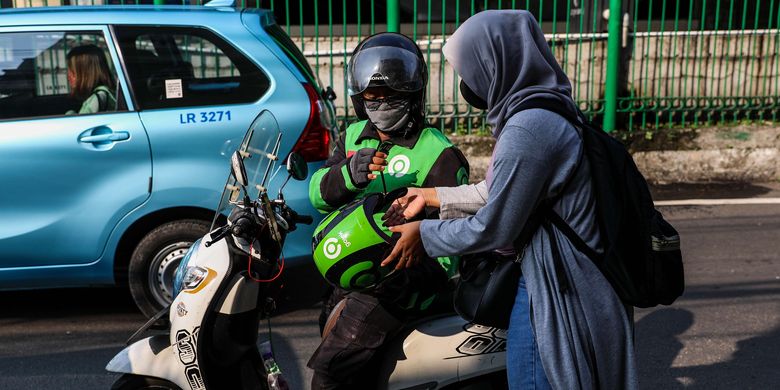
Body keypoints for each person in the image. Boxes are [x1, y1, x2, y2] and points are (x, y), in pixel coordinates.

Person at [383, 10, 638, 390]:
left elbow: (497, 224)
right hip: (558, 275)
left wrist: (425, 235)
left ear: (496, 62)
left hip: (558, 284)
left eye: (469, 70)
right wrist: (430, 195)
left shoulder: (528, 128)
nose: (466, 83)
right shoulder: (543, 107)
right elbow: (499, 190)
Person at [306, 32, 469, 390]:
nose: (381, 104)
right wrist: (347, 175)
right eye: (372, 97)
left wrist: (416, 244)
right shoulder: (352, 138)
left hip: (398, 287)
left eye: (391, 95)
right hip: (350, 274)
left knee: (331, 372)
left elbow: (453, 246)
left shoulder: (438, 152)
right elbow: (317, 194)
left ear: (412, 95)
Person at [66, 44, 117, 115]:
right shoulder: (107, 93)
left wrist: (69, 114)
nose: (68, 77)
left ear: (85, 74)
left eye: (73, 73)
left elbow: (81, 124)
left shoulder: (97, 99)